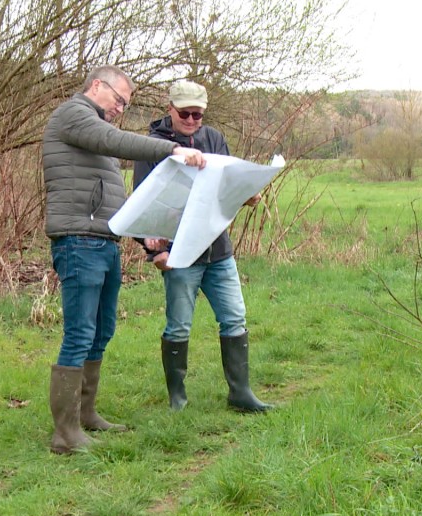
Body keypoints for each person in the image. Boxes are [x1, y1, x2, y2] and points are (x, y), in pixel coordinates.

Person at [41, 65, 207, 454]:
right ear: (97, 85)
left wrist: (142, 233)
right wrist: (172, 149)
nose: (119, 109)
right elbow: (114, 140)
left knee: (101, 332)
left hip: (102, 242)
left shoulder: (91, 124)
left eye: (125, 104)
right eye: (118, 99)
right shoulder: (74, 114)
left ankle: (86, 415)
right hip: (78, 242)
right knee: (80, 333)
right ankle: (64, 435)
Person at [133, 79, 273, 413]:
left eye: (198, 114)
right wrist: (153, 250)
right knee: (179, 324)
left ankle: (241, 395)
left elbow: (226, 186)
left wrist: (246, 195)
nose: (193, 120)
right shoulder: (153, 146)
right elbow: (141, 204)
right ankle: (177, 400)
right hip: (180, 254)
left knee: (235, 317)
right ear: (170, 108)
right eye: (186, 113)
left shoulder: (213, 139)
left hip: (218, 250)